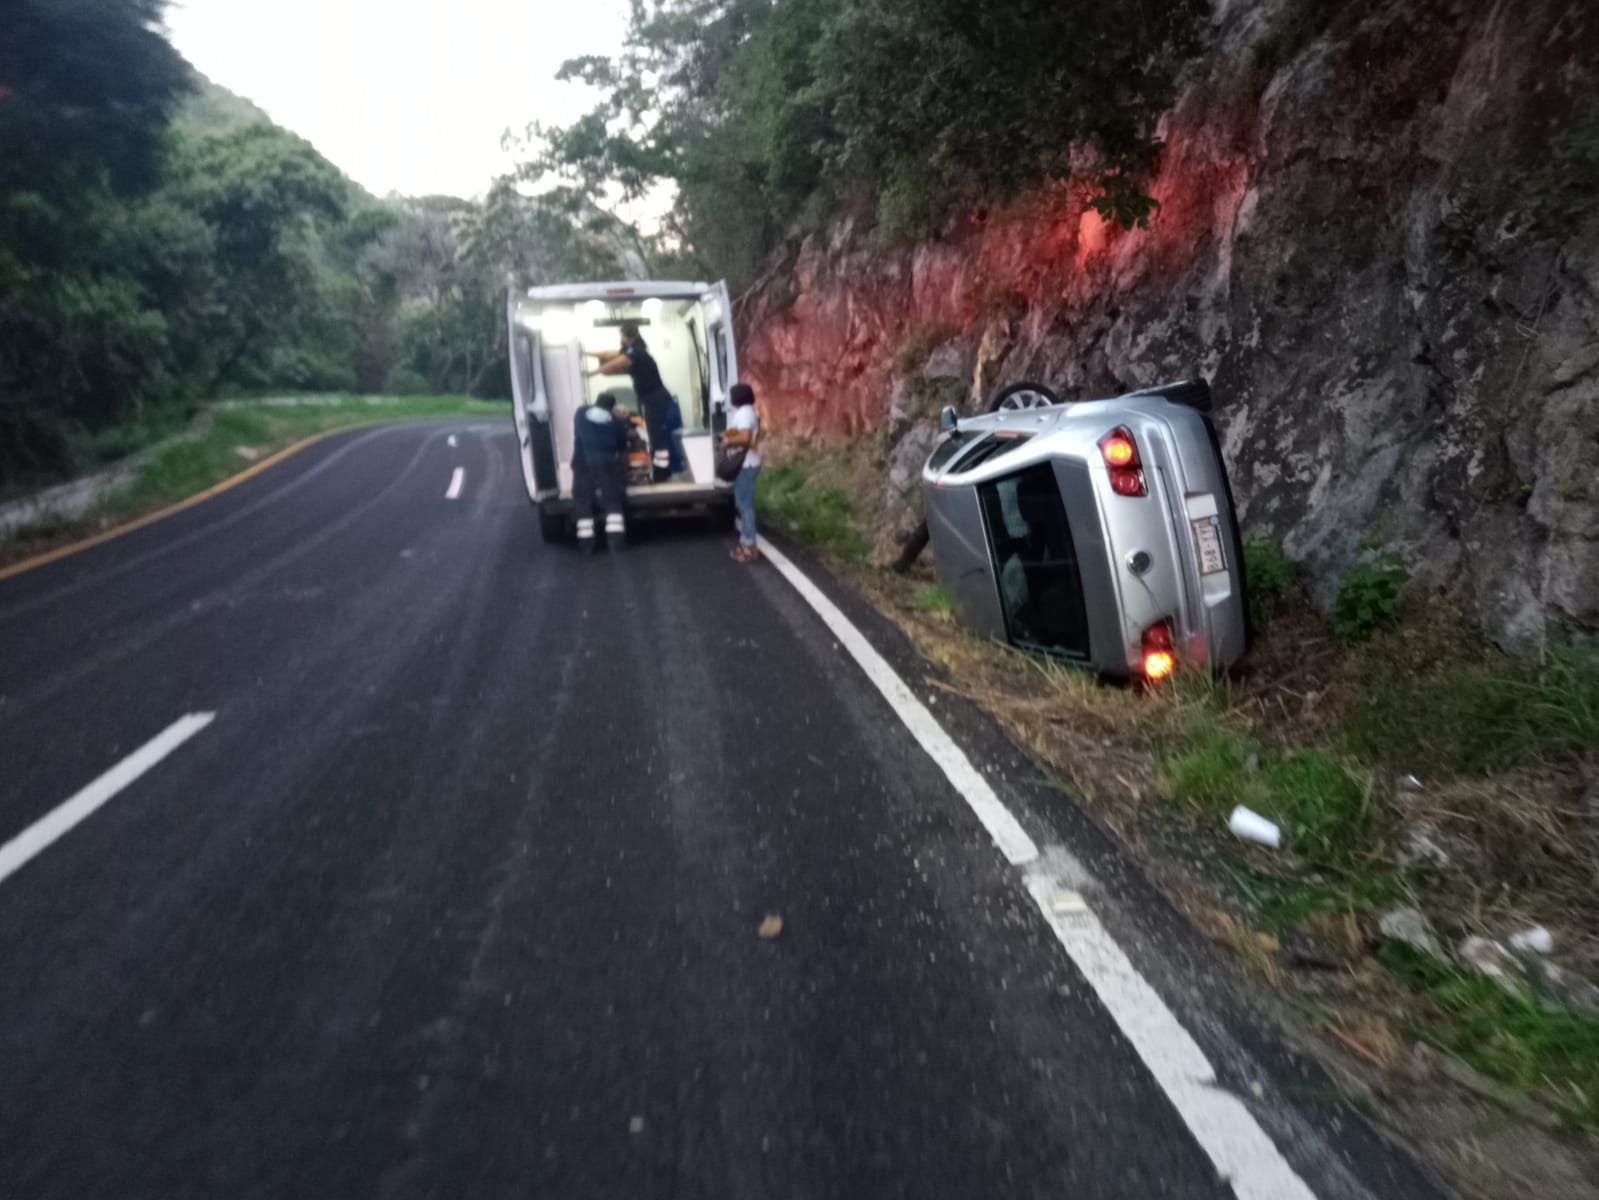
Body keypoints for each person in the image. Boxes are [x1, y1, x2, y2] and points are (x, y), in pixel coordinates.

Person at [587, 321, 675, 482]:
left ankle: (663, 471)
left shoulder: (636, 353)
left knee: (657, 434)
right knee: (654, 432)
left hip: (655, 398)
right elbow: (608, 354)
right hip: (649, 398)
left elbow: (615, 363)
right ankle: (659, 469)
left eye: (622, 336)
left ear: (630, 337)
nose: (620, 338)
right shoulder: (631, 350)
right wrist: (587, 354)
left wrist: (592, 373)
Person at [571, 392, 629, 552]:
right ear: (612, 408)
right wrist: (624, 471)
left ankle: (586, 543)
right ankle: (616, 542)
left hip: (582, 461)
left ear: (596, 401)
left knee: (583, 499)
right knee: (612, 499)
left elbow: (579, 433)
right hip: (606, 461)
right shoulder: (616, 422)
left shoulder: (581, 412)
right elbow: (622, 451)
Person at [724, 382, 761, 563]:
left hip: (746, 465)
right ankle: (747, 543)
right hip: (747, 463)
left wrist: (726, 442)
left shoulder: (745, 413)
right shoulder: (747, 412)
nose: (730, 398)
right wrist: (727, 434)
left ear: (738, 397)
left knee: (745, 506)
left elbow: (745, 437)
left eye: (732, 395)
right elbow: (740, 433)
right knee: (743, 504)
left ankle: (749, 546)